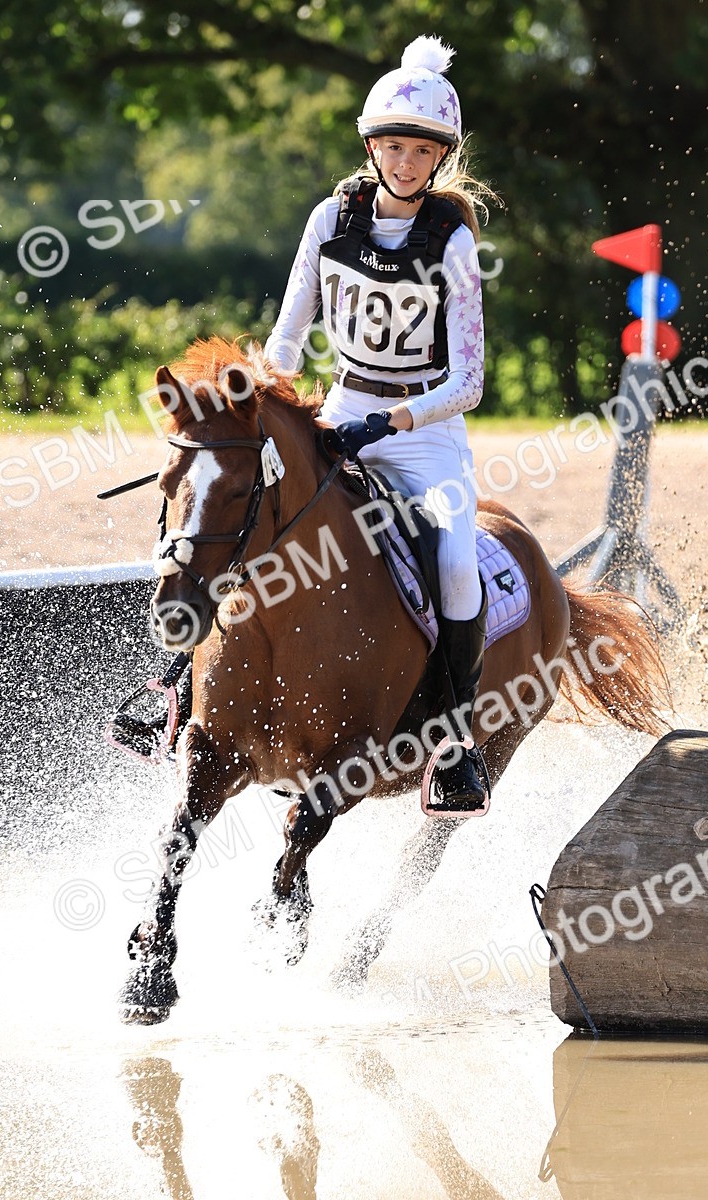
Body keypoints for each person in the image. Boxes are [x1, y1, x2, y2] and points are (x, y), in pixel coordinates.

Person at [264, 34, 496, 811]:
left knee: (458, 562)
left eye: (419, 151)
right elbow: (289, 334)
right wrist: (268, 394)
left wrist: (390, 422)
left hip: (424, 435)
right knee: (239, 507)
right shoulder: (330, 217)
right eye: (392, 147)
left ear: (439, 159)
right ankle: (170, 685)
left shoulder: (454, 240)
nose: (404, 163)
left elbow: (469, 382)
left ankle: (457, 744)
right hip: (339, 408)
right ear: (372, 147)